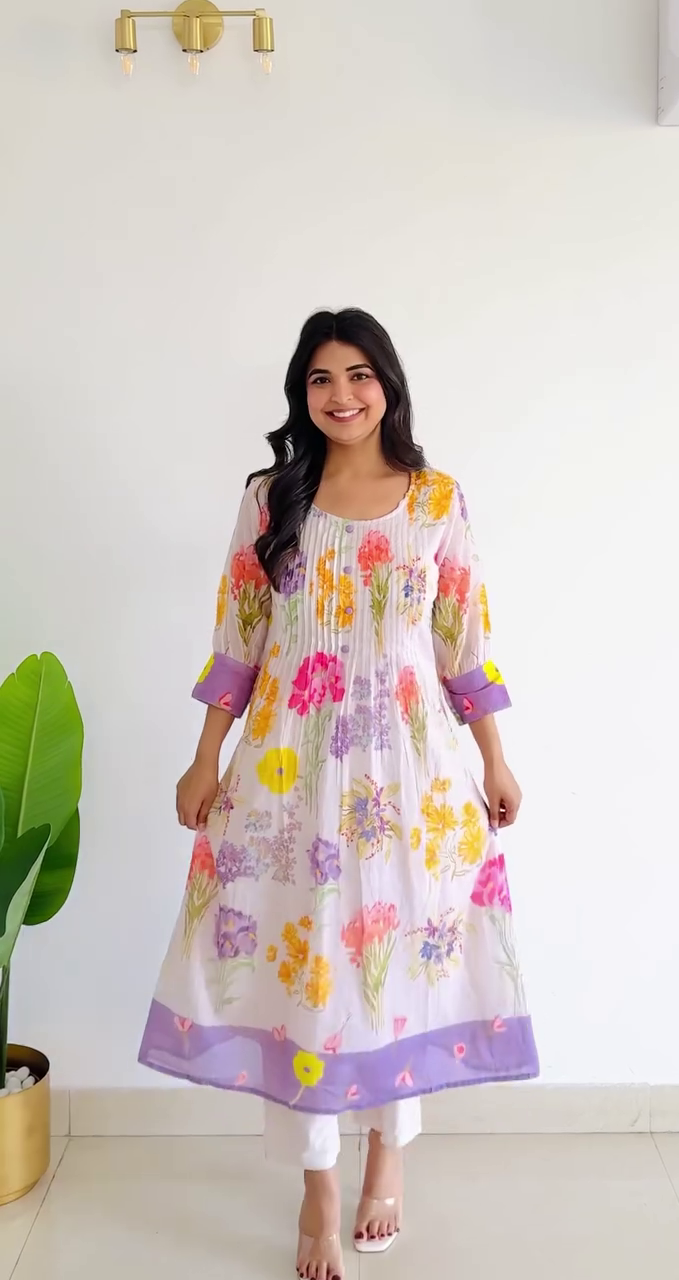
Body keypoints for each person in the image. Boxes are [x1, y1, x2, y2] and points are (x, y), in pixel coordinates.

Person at [139, 308, 539, 1280]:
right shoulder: (270, 498)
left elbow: (462, 642)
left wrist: (494, 758)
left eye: (359, 374)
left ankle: (386, 1159)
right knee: (305, 981)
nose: (342, 394)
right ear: (302, 394)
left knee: (393, 969)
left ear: (388, 384)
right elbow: (239, 638)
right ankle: (318, 1187)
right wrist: (204, 757)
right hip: (290, 777)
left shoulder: (437, 500)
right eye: (321, 378)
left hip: (410, 777)